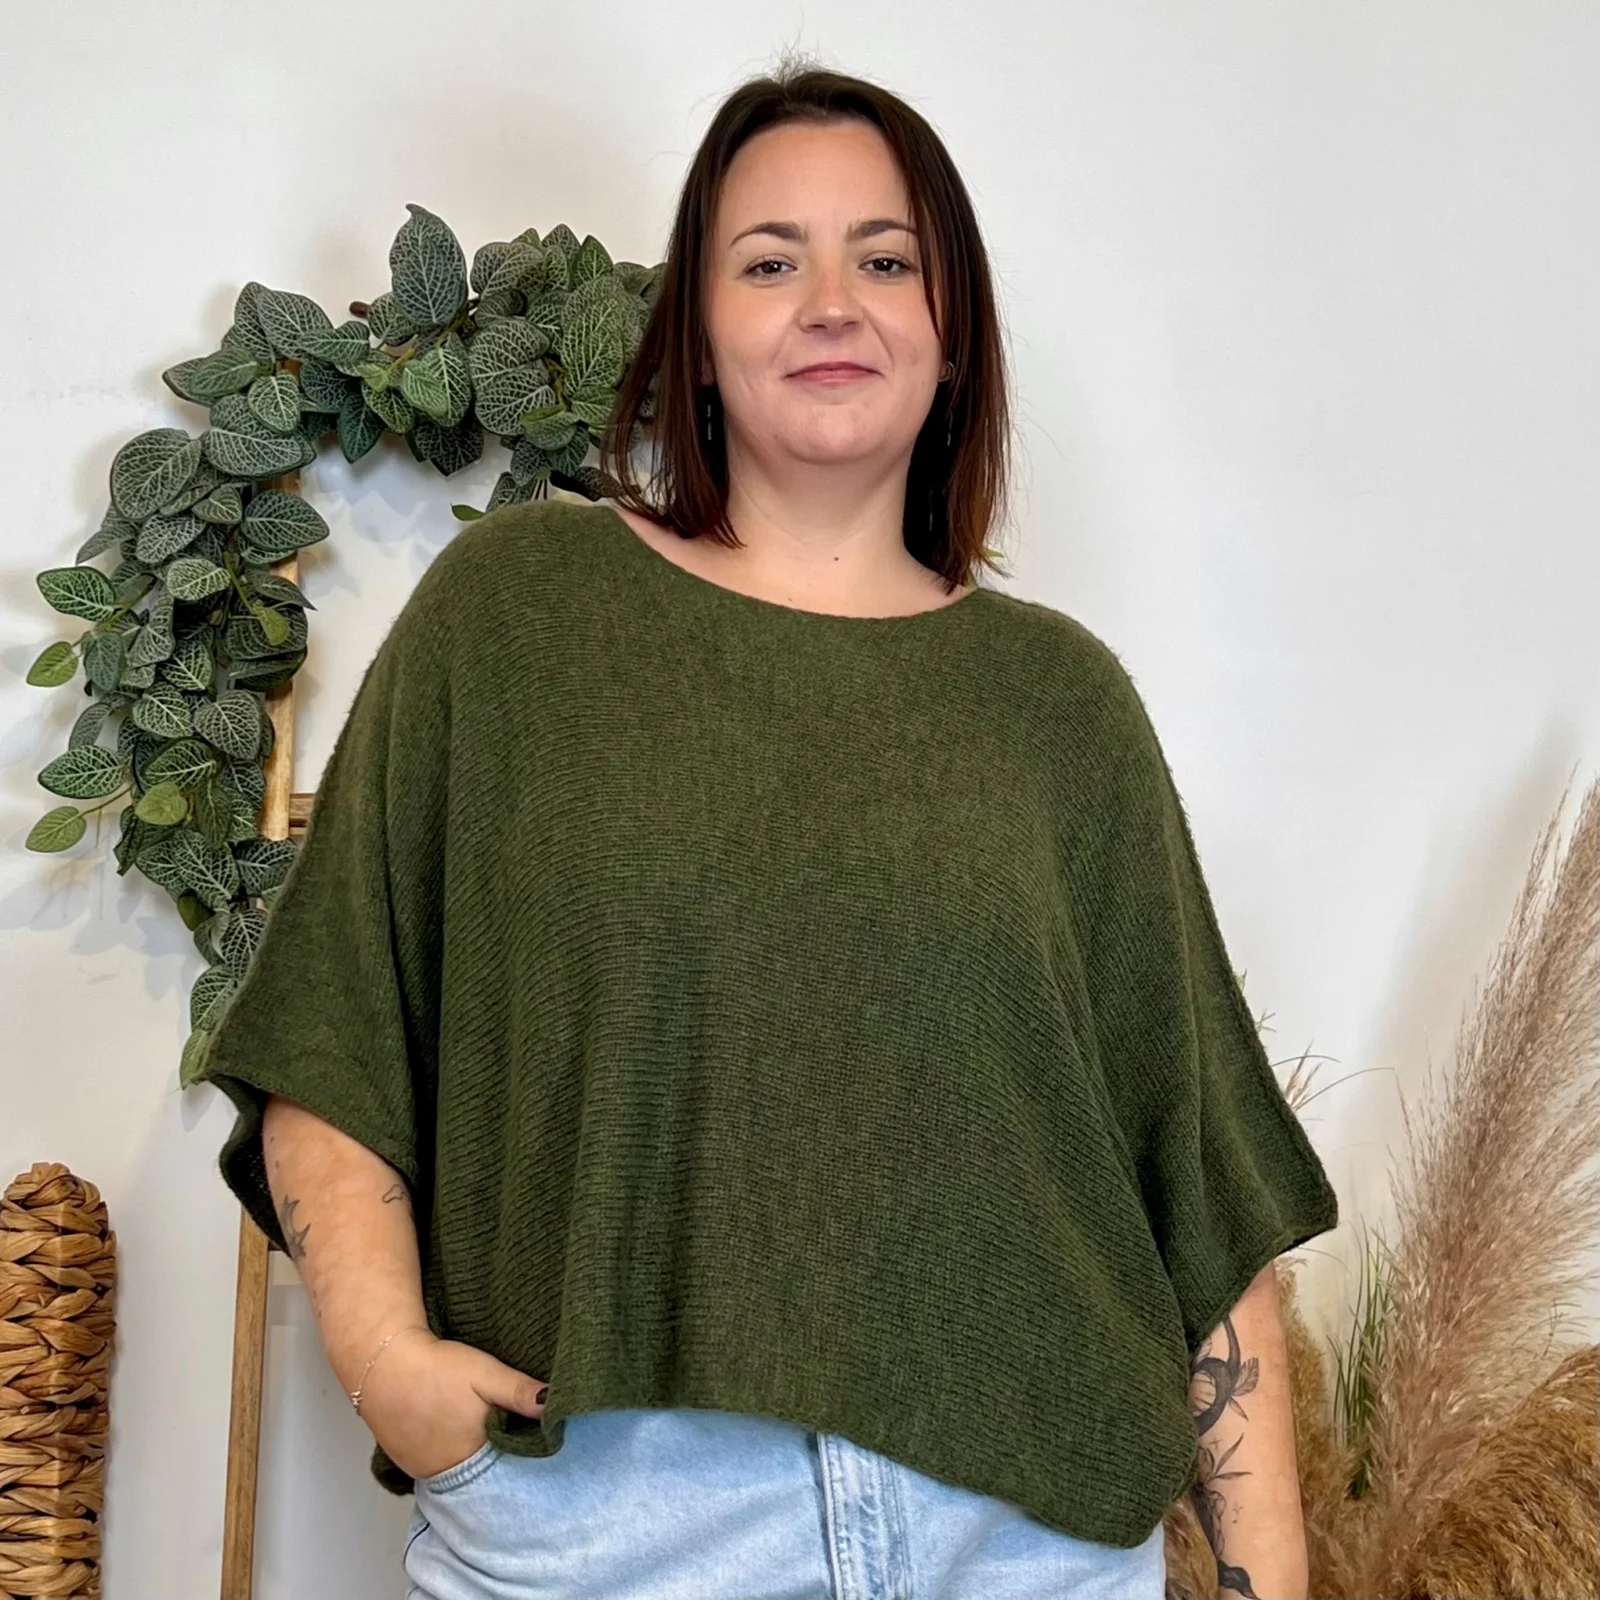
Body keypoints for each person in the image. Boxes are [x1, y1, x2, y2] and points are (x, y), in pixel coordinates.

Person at [200, 56, 1338, 1600]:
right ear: (695, 334)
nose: (832, 304)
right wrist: (383, 1355)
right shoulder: (517, 615)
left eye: (887, 261)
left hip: (1024, 1542)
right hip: (616, 1532)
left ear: (952, 335)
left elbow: (1194, 1194)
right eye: (769, 262)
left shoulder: (1060, 705)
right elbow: (336, 1023)